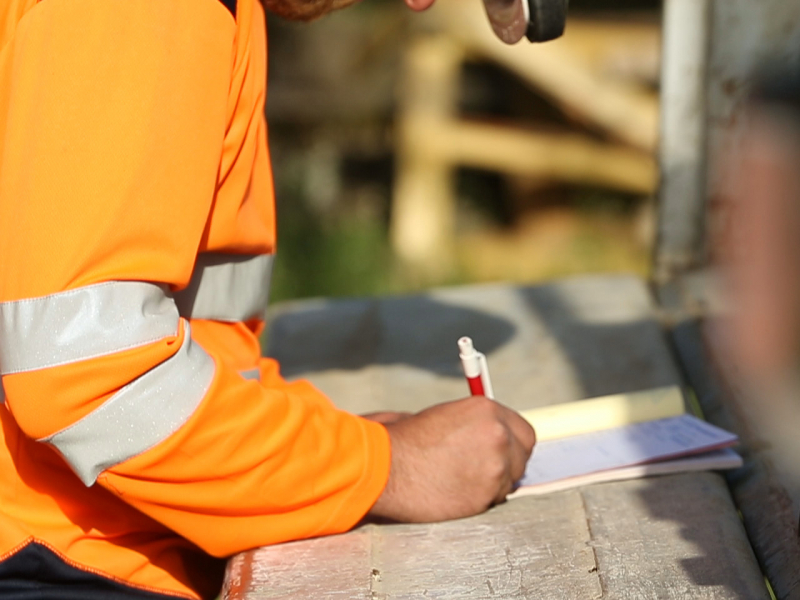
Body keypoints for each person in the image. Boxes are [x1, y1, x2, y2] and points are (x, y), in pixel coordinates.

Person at [0, 0, 536, 598]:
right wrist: (388, 469)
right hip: (51, 555)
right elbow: (92, 376)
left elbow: (184, 332)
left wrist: (322, 448)